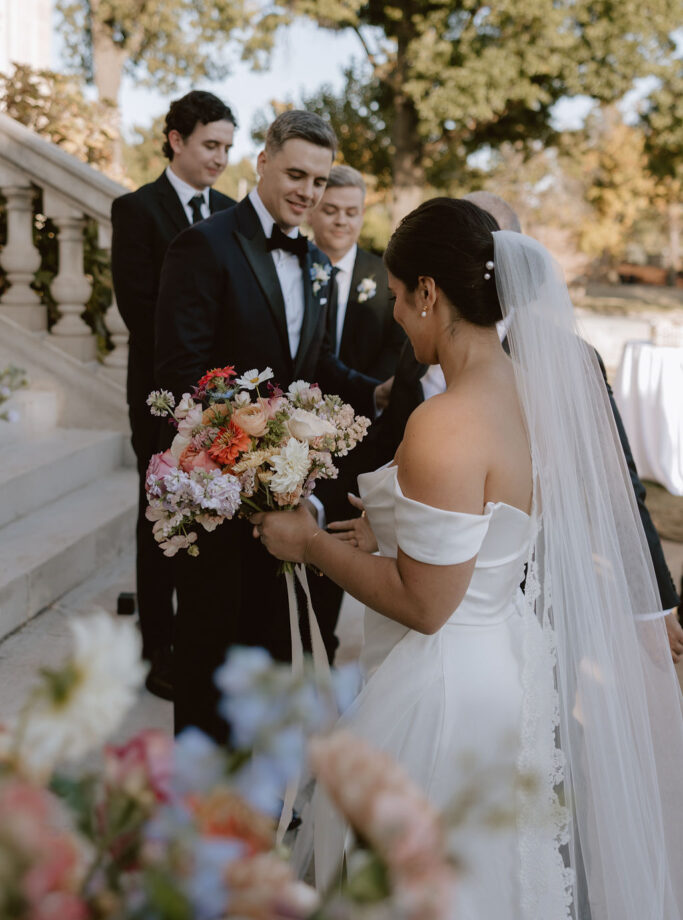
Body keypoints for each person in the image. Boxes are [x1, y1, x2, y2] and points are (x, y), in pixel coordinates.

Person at [253, 198, 683, 918]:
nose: (391, 314)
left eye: (396, 297)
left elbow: (424, 604)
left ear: (429, 293)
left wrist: (309, 543)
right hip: (509, 664)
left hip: (449, 683)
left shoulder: (444, 423)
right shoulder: (531, 392)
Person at [343, 189, 683, 663]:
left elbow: (617, 482)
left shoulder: (565, 362)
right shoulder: (419, 344)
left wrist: (651, 606)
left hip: (530, 603)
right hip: (434, 623)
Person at [154, 109, 382, 740]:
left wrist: (375, 391)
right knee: (208, 659)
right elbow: (181, 376)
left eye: (318, 179)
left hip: (282, 505)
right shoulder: (203, 245)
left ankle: (261, 806)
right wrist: (245, 457)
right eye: (296, 174)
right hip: (218, 501)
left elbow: (311, 364)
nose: (307, 191)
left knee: (271, 654)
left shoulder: (310, 258)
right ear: (262, 162)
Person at [111, 90, 236, 699]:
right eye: (211, 145)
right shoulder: (136, 211)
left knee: (212, 511)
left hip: (223, 399)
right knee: (158, 513)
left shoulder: (233, 212)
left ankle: (202, 634)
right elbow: (139, 309)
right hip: (158, 395)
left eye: (228, 148)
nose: (220, 158)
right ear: (175, 139)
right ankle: (156, 645)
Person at [308, 165, 404, 379]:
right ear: (310, 213)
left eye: (351, 213)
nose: (341, 221)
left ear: (362, 215)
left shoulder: (387, 276)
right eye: (330, 211)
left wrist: (367, 394)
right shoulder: (291, 267)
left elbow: (397, 346)